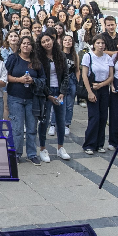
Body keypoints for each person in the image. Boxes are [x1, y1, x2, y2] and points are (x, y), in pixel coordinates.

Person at [5, 35, 44, 165]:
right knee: (17, 128)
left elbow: (43, 79)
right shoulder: (13, 58)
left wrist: (33, 80)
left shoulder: (36, 61)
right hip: (15, 97)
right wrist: (19, 80)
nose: (26, 45)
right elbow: (5, 76)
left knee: (32, 127)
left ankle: (32, 153)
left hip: (32, 98)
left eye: (28, 43)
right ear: (20, 45)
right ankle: (16, 153)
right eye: (24, 43)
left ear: (32, 47)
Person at [36, 31, 70, 161]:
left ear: (52, 40)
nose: (46, 43)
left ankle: (60, 147)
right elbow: (40, 78)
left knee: (61, 120)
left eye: (48, 40)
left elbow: (66, 75)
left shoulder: (60, 54)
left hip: (59, 91)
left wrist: (62, 92)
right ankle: (43, 149)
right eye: (43, 42)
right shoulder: (39, 57)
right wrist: (48, 94)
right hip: (46, 93)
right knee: (44, 121)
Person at [81, 35, 114, 155]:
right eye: (98, 43)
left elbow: (111, 76)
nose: (101, 45)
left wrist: (102, 85)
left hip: (103, 88)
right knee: (94, 117)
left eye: (103, 43)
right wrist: (89, 91)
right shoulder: (88, 56)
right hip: (92, 87)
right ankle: (89, 144)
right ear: (94, 44)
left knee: (103, 117)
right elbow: (84, 75)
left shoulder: (107, 58)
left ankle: (100, 144)